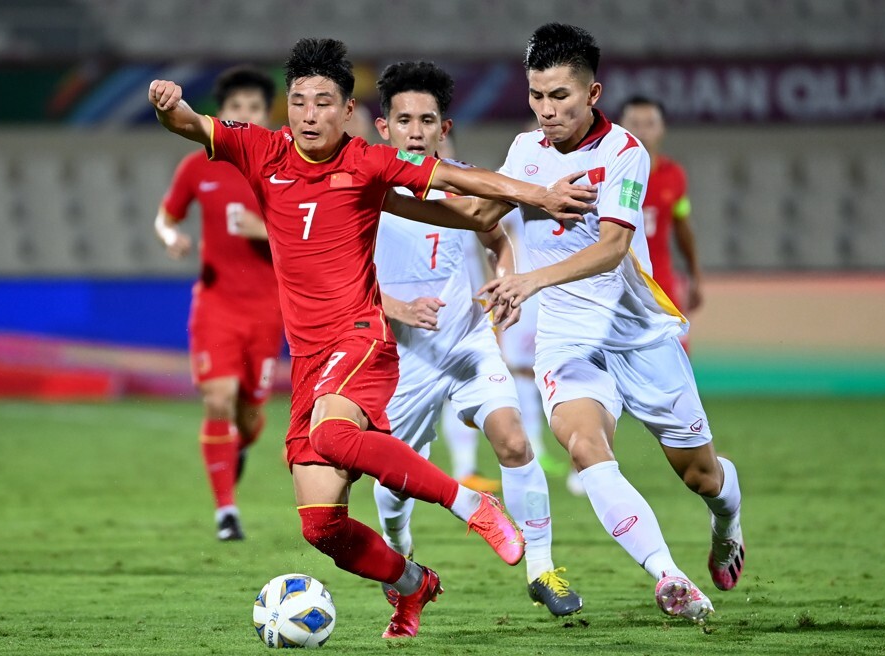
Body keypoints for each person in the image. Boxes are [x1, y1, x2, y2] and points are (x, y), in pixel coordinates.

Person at [148, 38, 595, 639]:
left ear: (346, 110)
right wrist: (165, 105)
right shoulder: (261, 150)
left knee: (334, 436)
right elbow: (191, 123)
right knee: (320, 526)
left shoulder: (366, 162)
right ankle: (413, 586)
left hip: (361, 339)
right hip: (308, 358)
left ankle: (473, 506)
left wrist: (540, 195)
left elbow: (458, 177)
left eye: (323, 103)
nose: (309, 114)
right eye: (300, 102)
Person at [395, 23, 745, 625]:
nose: (546, 110)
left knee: (703, 476)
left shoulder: (624, 154)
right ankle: (668, 575)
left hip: (640, 334)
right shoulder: (526, 150)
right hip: (567, 339)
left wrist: (528, 281)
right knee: (586, 448)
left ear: (592, 92)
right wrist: (380, 194)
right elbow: (479, 211)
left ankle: (726, 525)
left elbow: (612, 248)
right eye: (536, 95)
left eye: (560, 96)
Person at [370, 60, 582, 617]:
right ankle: (400, 556)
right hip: (401, 357)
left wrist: (505, 276)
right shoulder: (365, 193)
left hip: (466, 341)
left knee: (513, 440)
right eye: (404, 120)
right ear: (382, 127)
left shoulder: (464, 181)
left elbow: (495, 234)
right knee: (395, 483)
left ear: (445, 128)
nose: (415, 131)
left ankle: (542, 568)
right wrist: (398, 307)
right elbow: (341, 281)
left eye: (427, 121)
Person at [155, 66, 284, 542]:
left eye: (254, 109)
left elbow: (309, 234)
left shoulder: (279, 166)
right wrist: (171, 238)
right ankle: (226, 511)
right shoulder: (197, 166)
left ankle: (240, 446)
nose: (245, 117)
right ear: (220, 114)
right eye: (236, 109)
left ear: (265, 115)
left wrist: (261, 231)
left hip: (268, 310)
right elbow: (166, 218)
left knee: (249, 414)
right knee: (218, 398)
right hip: (215, 304)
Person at [618, 96, 703, 347]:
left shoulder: (674, 176)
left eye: (650, 123)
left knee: (676, 356)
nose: (642, 131)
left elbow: (682, 224)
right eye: (634, 123)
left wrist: (695, 274)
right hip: (618, 285)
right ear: (621, 126)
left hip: (661, 283)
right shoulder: (608, 174)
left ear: (662, 128)